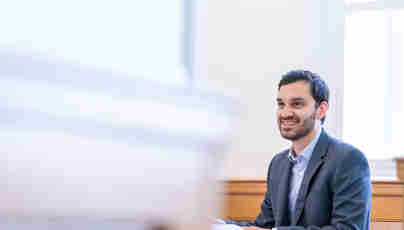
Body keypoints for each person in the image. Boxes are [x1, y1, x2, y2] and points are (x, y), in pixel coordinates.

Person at [225, 70, 372, 230]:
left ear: (321, 110)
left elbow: (347, 228)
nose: (286, 113)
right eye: (281, 104)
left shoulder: (349, 160)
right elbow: (264, 226)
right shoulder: (278, 164)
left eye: (297, 104)